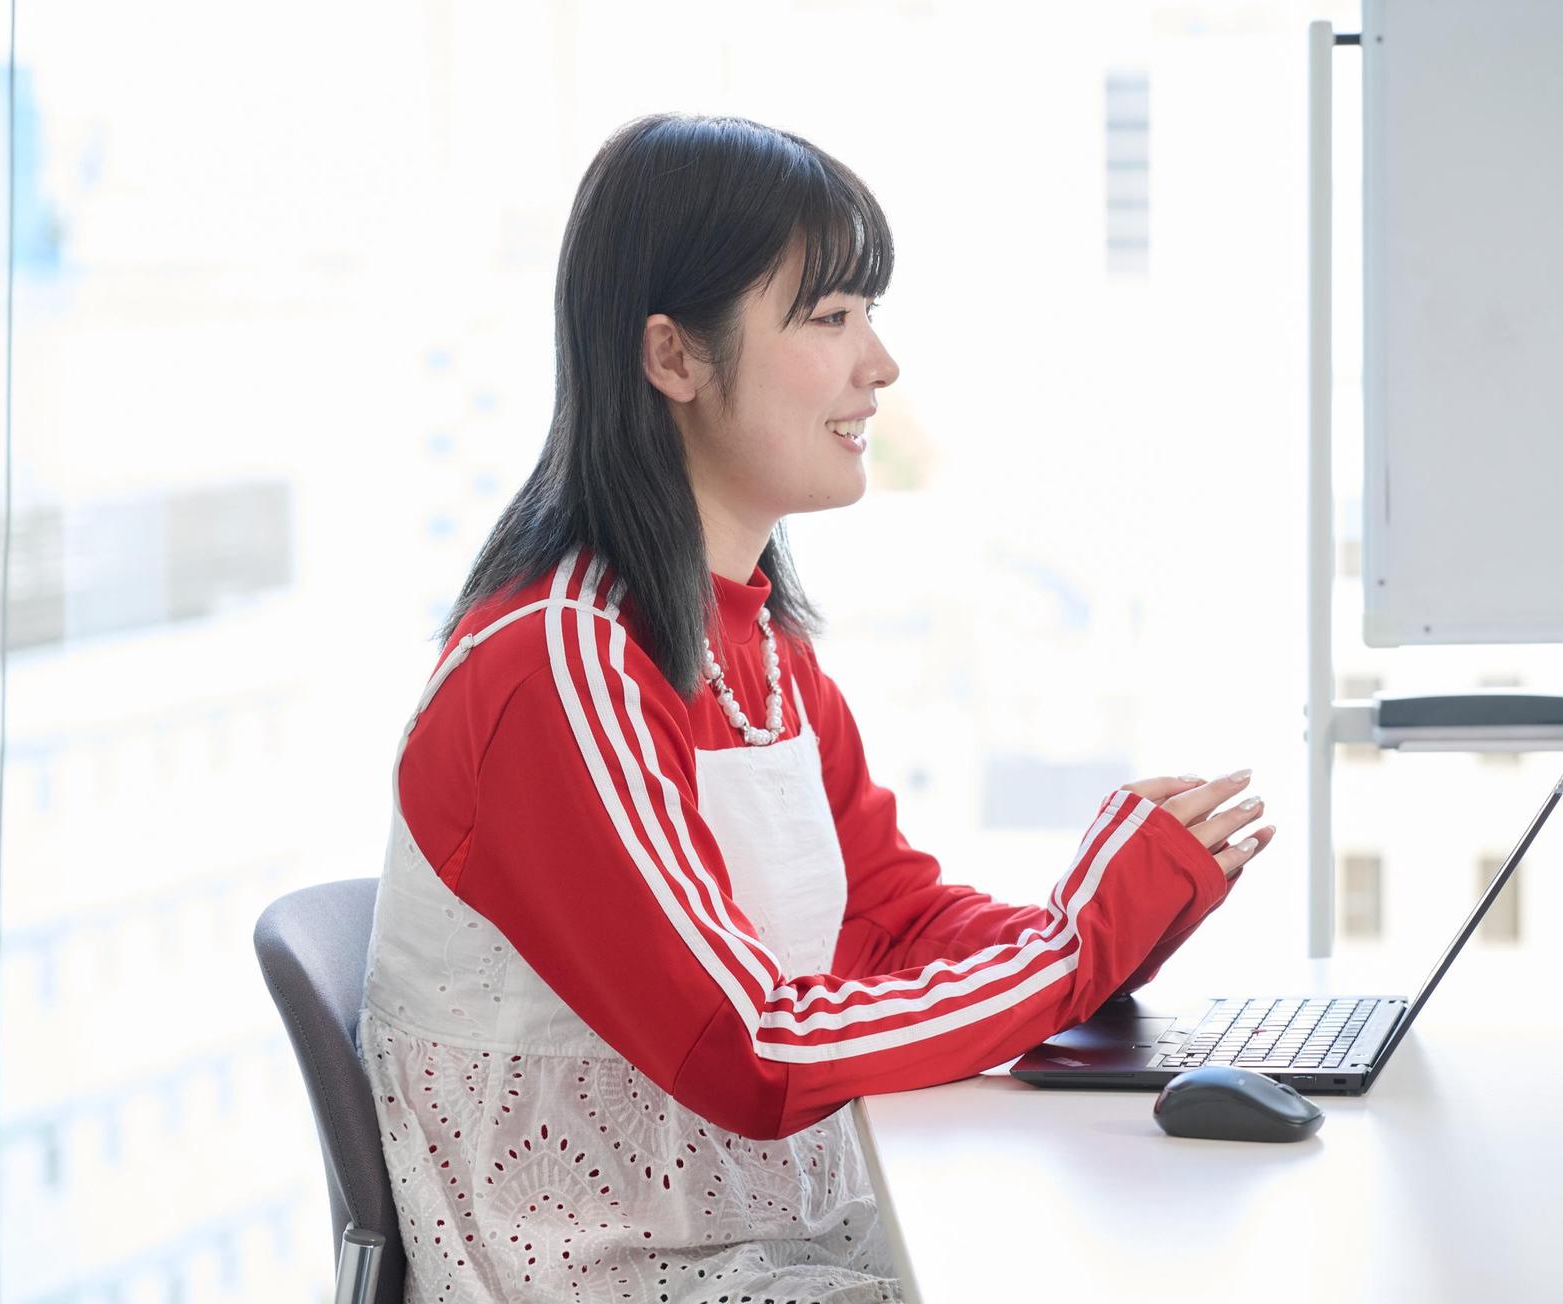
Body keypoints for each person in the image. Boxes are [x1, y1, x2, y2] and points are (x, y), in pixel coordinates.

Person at [357, 110, 1277, 1304]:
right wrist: (1074, 941)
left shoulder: (757, 645)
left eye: (868, 313)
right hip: (626, 1281)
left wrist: (1125, 923)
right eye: (829, 316)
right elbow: (753, 1046)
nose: (878, 364)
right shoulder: (558, 664)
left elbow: (885, 927)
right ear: (673, 357)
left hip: (782, 1243)